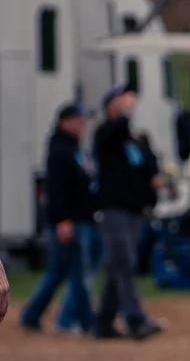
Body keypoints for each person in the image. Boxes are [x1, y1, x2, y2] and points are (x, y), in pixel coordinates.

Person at [88, 87, 165, 340]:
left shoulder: (132, 139)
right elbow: (116, 130)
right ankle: (134, 320)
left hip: (132, 211)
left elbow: (146, 164)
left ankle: (103, 322)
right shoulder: (105, 133)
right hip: (113, 210)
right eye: (121, 104)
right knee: (124, 263)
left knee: (118, 265)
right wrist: (123, 113)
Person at [18, 103, 96, 335]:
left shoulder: (74, 149)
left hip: (77, 220)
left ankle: (31, 314)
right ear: (65, 122)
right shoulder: (59, 151)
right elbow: (58, 190)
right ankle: (85, 321)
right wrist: (63, 220)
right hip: (68, 222)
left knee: (57, 273)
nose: (82, 125)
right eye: (78, 120)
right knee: (78, 275)